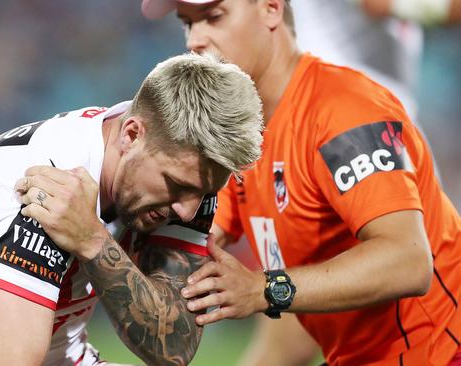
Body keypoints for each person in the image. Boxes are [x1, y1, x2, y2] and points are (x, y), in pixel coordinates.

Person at [0, 52, 264, 366]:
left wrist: (95, 242)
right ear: (131, 135)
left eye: (205, 192)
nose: (187, 211)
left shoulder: (187, 173)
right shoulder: (44, 186)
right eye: (177, 186)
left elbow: (173, 347)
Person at [140, 1, 461, 365]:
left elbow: (409, 261)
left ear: (272, 9)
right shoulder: (240, 139)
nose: (196, 40)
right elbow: (188, 246)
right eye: (187, 23)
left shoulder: (344, 111)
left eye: (214, 17)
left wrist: (264, 289)